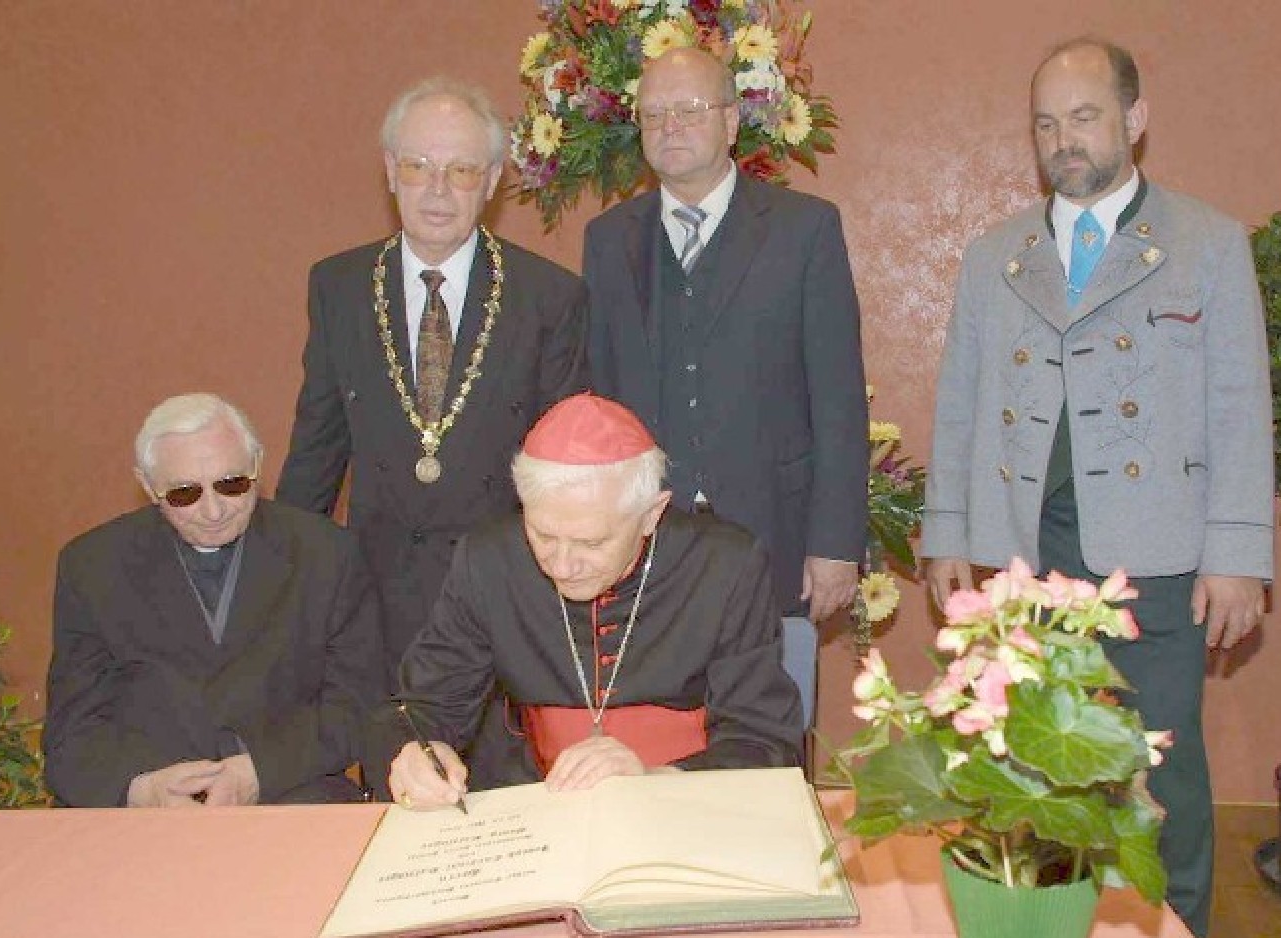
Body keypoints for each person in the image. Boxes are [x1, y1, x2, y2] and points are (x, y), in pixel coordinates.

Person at [921, 38, 1274, 938]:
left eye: (1083, 117)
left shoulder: (1207, 243)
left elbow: (1239, 407)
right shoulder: (994, 255)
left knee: (1162, 774)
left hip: (1156, 555)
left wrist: (1236, 554)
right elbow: (958, 402)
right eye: (1046, 124)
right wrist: (944, 532)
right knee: (1027, 769)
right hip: (1021, 558)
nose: (1063, 141)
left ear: (1134, 118)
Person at [276, 77, 588, 783]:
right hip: (377, 592)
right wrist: (285, 582)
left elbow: (561, 474)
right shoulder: (339, 285)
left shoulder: (550, 297)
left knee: (502, 803)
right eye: (417, 166)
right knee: (398, 793)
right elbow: (316, 446)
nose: (437, 189)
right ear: (389, 172)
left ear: (495, 181)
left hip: (501, 595)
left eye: (462, 169)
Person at [378, 394, 804, 809]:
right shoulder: (487, 561)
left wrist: (655, 782)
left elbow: (763, 739)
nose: (563, 565)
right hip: (542, 808)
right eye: (543, 535)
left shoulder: (724, 565)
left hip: (688, 808)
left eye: (591, 542)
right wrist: (418, 753)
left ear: (651, 514)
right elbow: (423, 704)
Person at [581, 47, 867, 641]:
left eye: (689, 108)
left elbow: (838, 399)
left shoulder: (804, 229)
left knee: (771, 723)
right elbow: (598, 396)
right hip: (644, 545)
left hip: (773, 537)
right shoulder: (608, 240)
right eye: (653, 114)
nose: (670, 127)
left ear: (732, 121)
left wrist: (837, 542)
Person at [44, 394, 386, 807]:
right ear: (149, 487)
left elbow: (359, 707)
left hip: (290, 789)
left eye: (232, 485)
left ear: (257, 467)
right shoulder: (93, 566)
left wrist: (257, 772)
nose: (213, 511)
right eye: (185, 494)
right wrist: (144, 790)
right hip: (151, 809)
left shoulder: (328, 554)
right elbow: (71, 734)